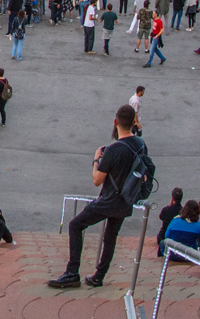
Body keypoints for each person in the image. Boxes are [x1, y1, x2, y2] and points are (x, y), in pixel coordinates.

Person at [48, 103, 142, 289]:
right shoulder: (140, 145)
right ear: (133, 123)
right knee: (110, 236)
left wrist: (96, 159)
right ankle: (98, 276)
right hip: (126, 200)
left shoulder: (113, 150)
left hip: (108, 200)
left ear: (116, 122)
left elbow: (97, 180)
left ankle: (72, 272)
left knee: (75, 225)